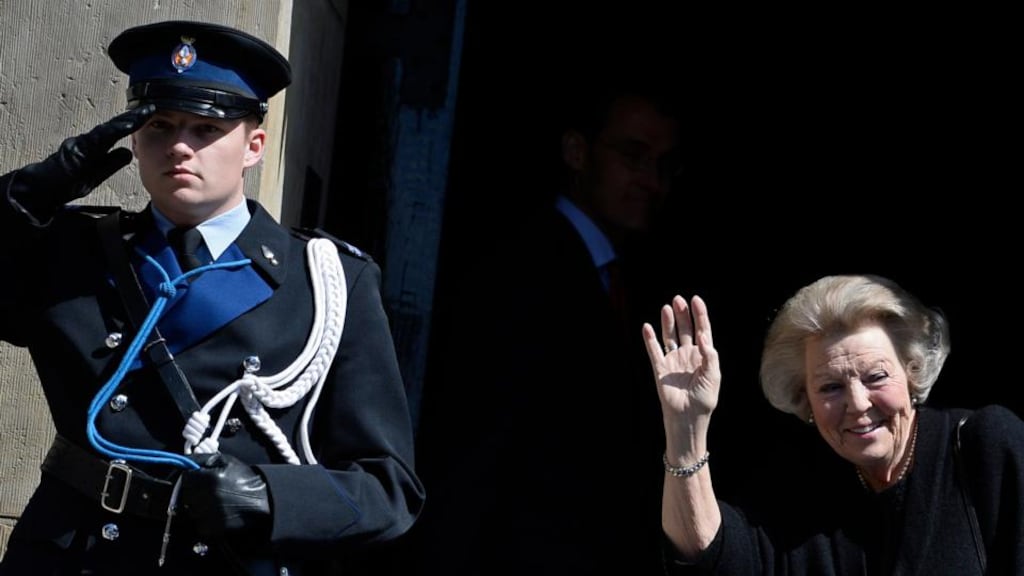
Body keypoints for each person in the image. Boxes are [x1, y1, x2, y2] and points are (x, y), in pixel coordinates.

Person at [0, 19, 424, 575]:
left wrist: (270, 498)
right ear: (132, 138)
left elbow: (388, 489)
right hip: (73, 554)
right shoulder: (70, 253)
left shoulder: (325, 281)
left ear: (253, 146)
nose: (179, 146)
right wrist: (26, 197)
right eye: (159, 125)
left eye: (206, 129)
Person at [411, 72, 683, 575]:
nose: (651, 180)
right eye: (633, 154)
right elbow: (478, 448)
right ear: (578, 152)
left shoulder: (625, 278)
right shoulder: (521, 271)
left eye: (664, 164)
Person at [642, 274, 1024, 574]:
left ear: (913, 373)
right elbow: (708, 557)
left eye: (876, 377)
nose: (857, 404)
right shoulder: (797, 488)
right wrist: (685, 427)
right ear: (804, 400)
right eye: (830, 387)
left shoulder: (984, 448)